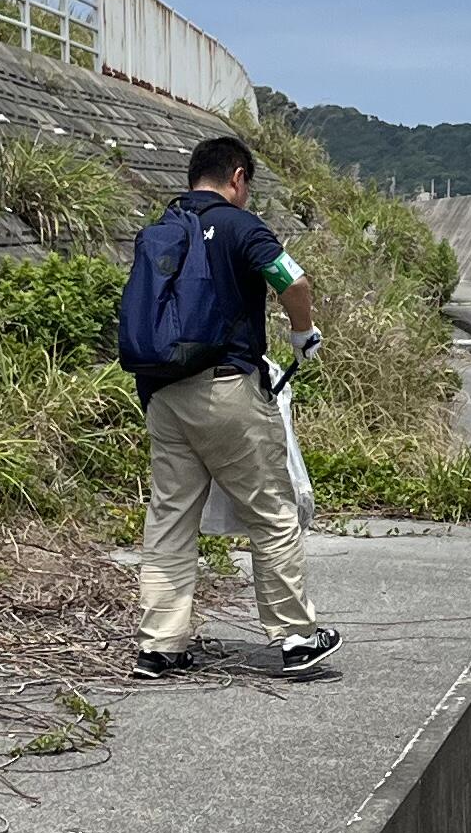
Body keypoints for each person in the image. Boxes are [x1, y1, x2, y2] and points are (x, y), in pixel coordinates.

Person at [123, 135, 342, 679]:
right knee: (272, 513)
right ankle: (295, 638)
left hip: (163, 395)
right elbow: (292, 280)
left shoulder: (163, 228)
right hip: (226, 389)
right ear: (238, 178)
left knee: (171, 520)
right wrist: (302, 332)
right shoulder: (243, 226)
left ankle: (159, 646)